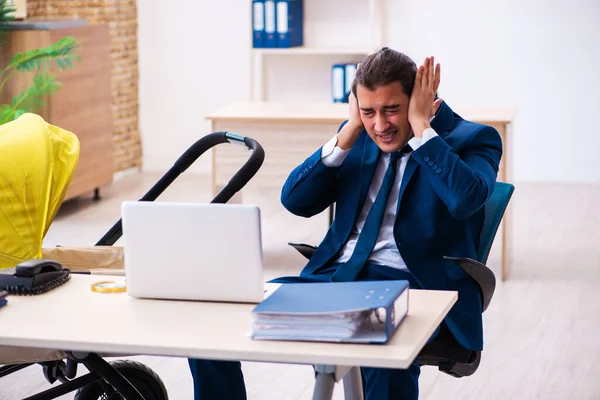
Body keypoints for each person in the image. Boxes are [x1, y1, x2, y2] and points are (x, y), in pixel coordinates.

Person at [188, 47, 503, 400]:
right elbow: (295, 201)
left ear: (419, 97)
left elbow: (466, 200)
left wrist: (421, 130)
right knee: (209, 329)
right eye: (368, 111)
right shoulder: (358, 134)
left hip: (413, 287)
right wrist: (350, 130)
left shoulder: (474, 139)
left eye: (392, 110)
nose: (380, 125)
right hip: (337, 278)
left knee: (381, 353)